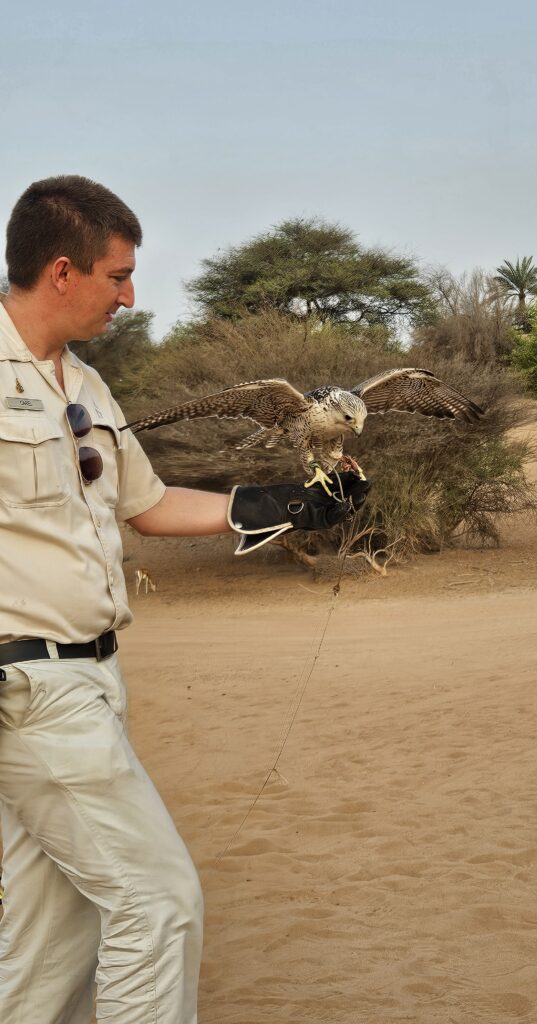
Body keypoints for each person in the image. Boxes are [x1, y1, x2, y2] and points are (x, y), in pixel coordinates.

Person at [0, 175, 369, 1024]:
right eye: (117, 276)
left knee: (53, 936)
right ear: (62, 271)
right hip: (32, 692)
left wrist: (284, 503)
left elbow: (148, 504)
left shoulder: (86, 387)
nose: (130, 296)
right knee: (157, 903)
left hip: (93, 683)